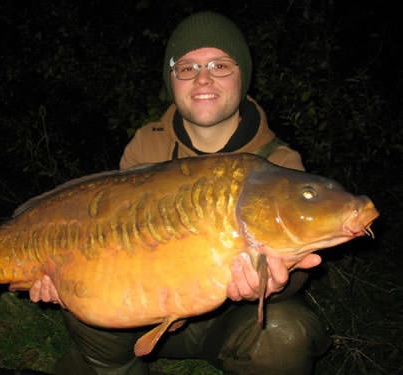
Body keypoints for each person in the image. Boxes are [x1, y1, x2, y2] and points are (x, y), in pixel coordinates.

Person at [26, 11, 331, 375]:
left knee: (286, 331)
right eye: (187, 68)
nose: (203, 78)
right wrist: (59, 271)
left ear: (243, 75)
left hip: (233, 322)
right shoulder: (145, 146)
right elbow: (114, 238)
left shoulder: (278, 163)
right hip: (143, 310)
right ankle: (111, 368)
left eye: (220, 65)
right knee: (82, 286)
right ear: (172, 80)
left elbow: (298, 273)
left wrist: (275, 285)